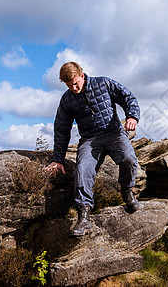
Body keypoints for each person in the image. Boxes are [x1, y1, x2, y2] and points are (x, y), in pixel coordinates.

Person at [46, 62, 141, 237]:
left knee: (128, 159)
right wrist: (58, 159)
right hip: (90, 140)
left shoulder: (103, 83)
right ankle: (84, 217)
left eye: (76, 83)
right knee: (82, 170)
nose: (73, 88)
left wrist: (132, 116)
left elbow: (128, 97)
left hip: (114, 133)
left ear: (82, 76)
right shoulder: (66, 100)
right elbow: (61, 129)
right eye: (69, 85)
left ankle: (127, 192)